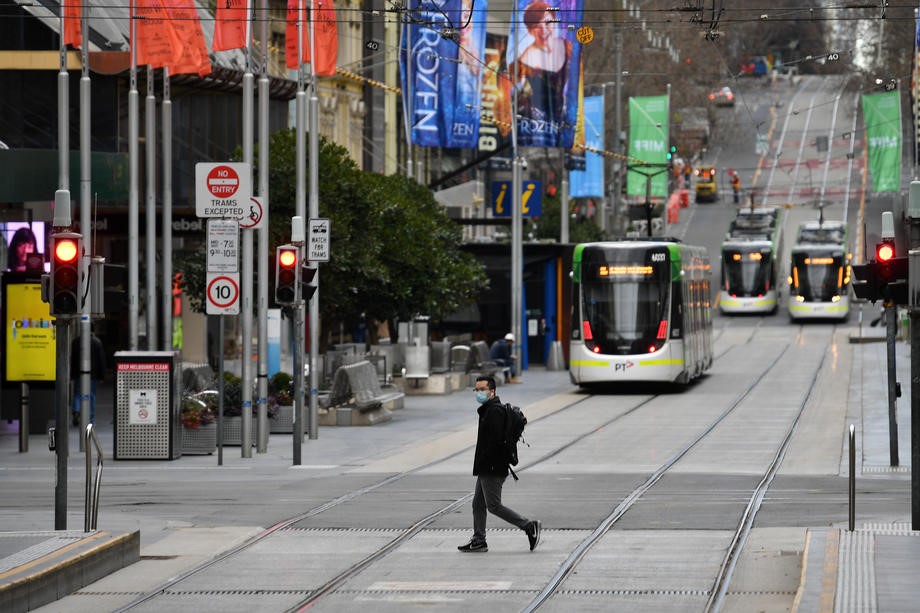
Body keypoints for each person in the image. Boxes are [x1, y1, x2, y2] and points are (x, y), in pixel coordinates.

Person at [458, 375, 541, 553]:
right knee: (478, 504)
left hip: (492, 467)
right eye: (476, 390)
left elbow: (496, 443)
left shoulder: (494, 412)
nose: (479, 393)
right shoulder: (488, 409)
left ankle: (528, 526)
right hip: (487, 467)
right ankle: (479, 540)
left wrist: (489, 464)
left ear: (492, 391)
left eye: (482, 389)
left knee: (494, 506)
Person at [513, 1, 572, 132]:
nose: (543, 30)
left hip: (563, 123)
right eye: (536, 26)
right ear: (529, 31)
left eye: (547, 23)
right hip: (538, 128)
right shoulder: (525, 60)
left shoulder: (567, 47)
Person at [71, 331, 106, 425]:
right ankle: (90, 417)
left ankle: (76, 410)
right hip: (92, 374)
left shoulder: (76, 341)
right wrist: (102, 375)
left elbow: (73, 359)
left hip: (78, 373)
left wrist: (72, 374)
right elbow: (101, 360)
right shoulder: (97, 342)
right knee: (91, 395)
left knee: (77, 393)